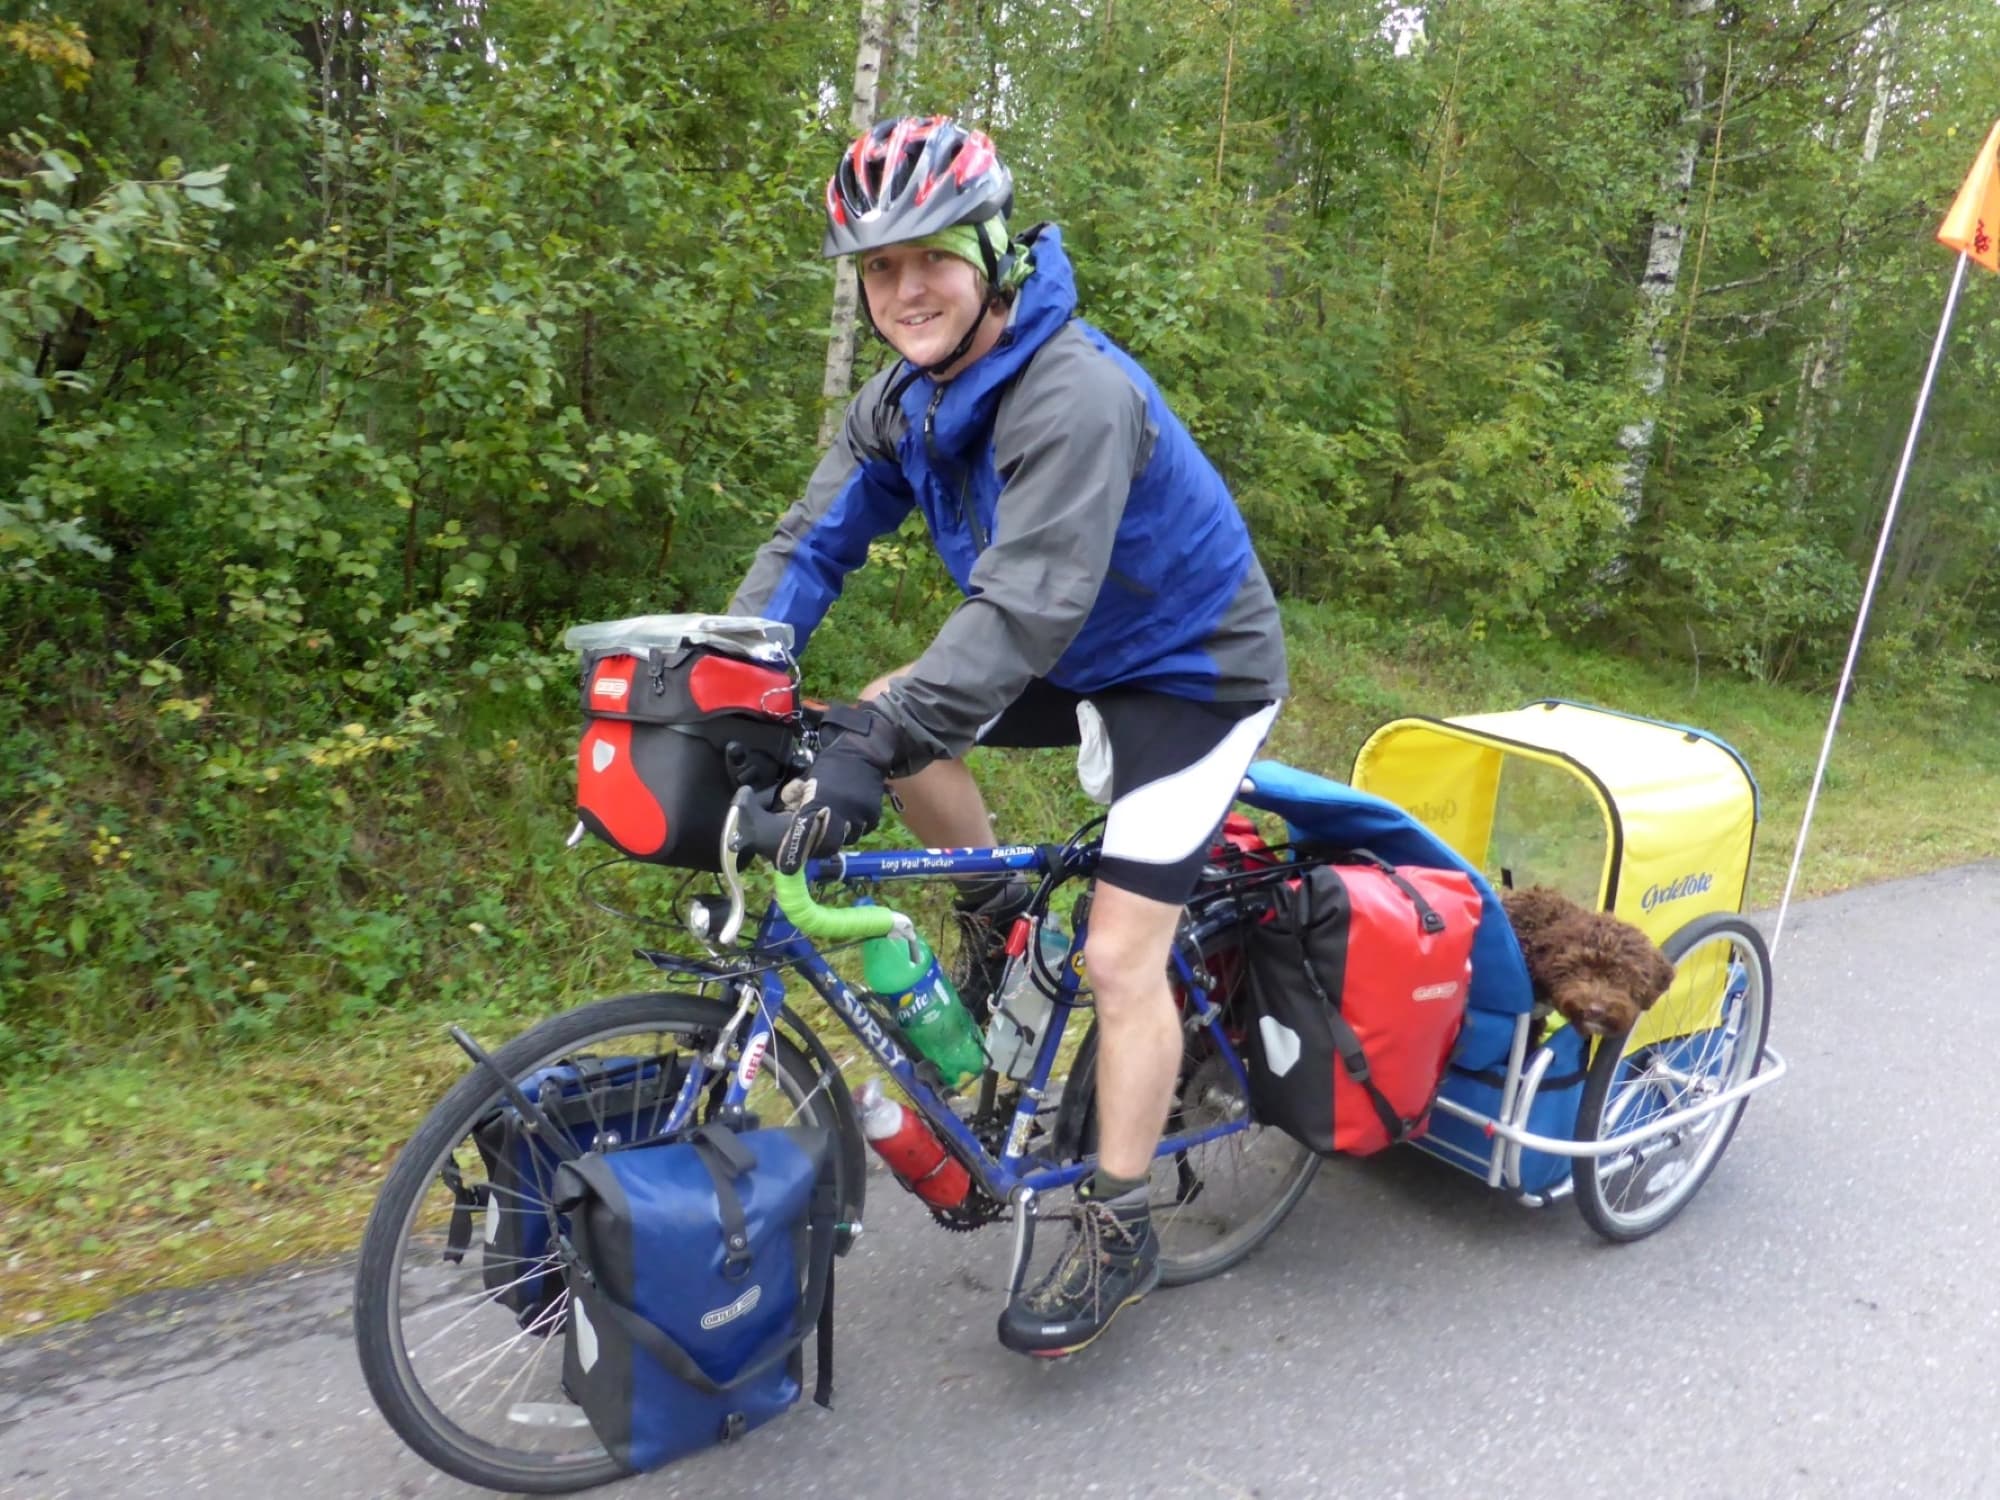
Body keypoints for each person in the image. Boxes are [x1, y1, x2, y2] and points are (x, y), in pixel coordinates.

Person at [728, 115, 1289, 1357]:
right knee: (897, 705)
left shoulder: (1072, 390)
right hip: (1073, 649)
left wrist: (870, 744)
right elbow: (811, 542)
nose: (905, 289)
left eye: (930, 255)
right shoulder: (906, 399)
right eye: (879, 268)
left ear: (992, 248)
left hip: (1192, 675)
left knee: (1115, 960)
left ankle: (1118, 1217)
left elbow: (1023, 604)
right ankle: (990, 911)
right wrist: (726, 669)